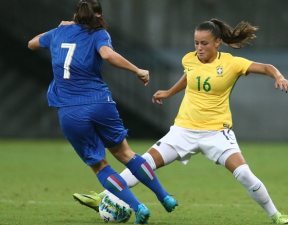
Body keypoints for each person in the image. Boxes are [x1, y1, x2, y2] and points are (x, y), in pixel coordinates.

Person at [73, 18, 288, 225]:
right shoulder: (189, 59)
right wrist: (169, 92)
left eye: (204, 43)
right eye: (196, 43)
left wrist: (278, 76)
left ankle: (276, 216)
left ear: (217, 43)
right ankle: (102, 197)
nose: (199, 48)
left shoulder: (232, 63)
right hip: (182, 131)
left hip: (216, 133)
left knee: (244, 174)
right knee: (144, 164)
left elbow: (266, 67)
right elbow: (190, 77)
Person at [27, 0, 178, 224]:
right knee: (127, 154)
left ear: (75, 15)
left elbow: (31, 44)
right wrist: (137, 70)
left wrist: (58, 28)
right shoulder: (99, 34)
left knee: (100, 166)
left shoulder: (59, 32)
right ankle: (164, 196)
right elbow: (107, 55)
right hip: (100, 103)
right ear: (98, 15)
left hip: (70, 110)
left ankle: (139, 207)